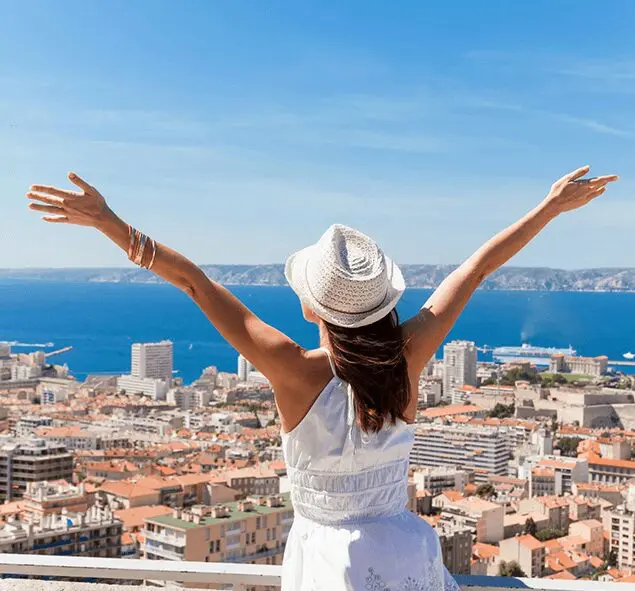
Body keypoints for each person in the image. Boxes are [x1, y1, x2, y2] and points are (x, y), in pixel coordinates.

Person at [26, 165, 617, 590]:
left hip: (331, 564)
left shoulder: (294, 370)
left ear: (313, 307)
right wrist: (551, 206)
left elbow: (195, 282)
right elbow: (479, 267)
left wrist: (109, 222)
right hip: (408, 553)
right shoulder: (407, 358)